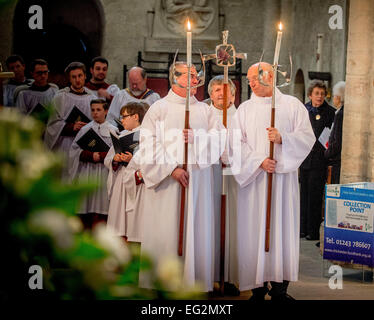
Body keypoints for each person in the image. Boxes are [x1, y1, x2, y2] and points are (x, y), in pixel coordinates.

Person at [230, 62, 315, 300]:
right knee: (254, 231)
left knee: (281, 229)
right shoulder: (244, 110)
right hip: (255, 183)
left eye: (254, 79)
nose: (251, 83)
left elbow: (307, 137)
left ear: (269, 76)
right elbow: (235, 144)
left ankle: (280, 288)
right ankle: (257, 288)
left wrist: (283, 139)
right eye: (249, 80)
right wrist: (258, 161)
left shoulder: (291, 105)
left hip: (282, 183)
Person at [137, 62, 225, 291]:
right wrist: (171, 168)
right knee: (166, 231)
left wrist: (197, 137)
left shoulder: (206, 110)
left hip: (198, 182)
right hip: (167, 184)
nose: (196, 80)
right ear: (176, 78)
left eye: (197, 75)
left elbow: (220, 139)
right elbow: (148, 143)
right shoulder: (159, 108)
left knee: (196, 231)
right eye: (191, 75)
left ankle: (194, 283)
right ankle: (162, 284)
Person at [207, 75, 240, 295]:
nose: (222, 94)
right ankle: (206, 276)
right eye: (217, 89)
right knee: (208, 224)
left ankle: (228, 276)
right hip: (208, 176)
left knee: (231, 225)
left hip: (235, 179)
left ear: (234, 95)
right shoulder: (203, 113)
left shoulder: (242, 116)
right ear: (210, 93)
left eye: (226, 90)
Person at [68, 99, 116, 229]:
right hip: (87, 171)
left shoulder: (113, 130)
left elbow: (117, 153)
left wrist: (100, 156)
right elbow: (74, 151)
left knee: (102, 206)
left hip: (104, 172)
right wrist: (90, 155)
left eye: (98, 110)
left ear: (106, 111)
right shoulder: (85, 129)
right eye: (93, 110)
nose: (95, 113)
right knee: (86, 205)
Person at [44, 62, 96, 179]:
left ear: (85, 76)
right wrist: (71, 127)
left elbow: (97, 122)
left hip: (83, 145)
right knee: (64, 177)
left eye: (80, 76)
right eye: (74, 77)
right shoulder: (60, 97)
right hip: (65, 144)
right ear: (69, 78)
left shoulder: (92, 98)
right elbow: (52, 125)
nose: (77, 80)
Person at [104, 102, 147, 242]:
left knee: (133, 219)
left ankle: (133, 241)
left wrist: (132, 159)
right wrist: (115, 159)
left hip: (137, 183)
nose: (121, 120)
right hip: (121, 179)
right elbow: (108, 159)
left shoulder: (146, 135)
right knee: (118, 217)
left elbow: (150, 160)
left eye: (124, 116)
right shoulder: (121, 135)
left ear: (135, 116)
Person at [300, 80, 336, 241]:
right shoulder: (304, 110)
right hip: (304, 159)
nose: (320, 96)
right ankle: (302, 228)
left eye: (322, 94)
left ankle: (313, 231)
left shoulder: (330, 112)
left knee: (315, 197)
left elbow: (330, 136)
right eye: (316, 93)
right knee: (303, 195)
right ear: (310, 95)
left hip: (320, 159)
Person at [325, 81, 345, 184]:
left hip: (336, 160)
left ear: (338, 97)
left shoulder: (340, 114)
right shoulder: (340, 112)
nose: (333, 99)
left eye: (334, 96)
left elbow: (337, 140)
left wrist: (326, 154)